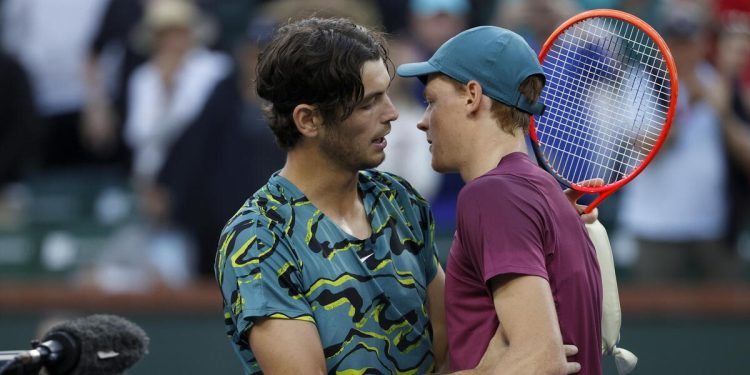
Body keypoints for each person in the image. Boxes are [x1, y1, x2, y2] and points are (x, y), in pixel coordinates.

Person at [215, 17, 584, 375]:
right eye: (368, 103)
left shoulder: (400, 201)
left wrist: (540, 228)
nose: (392, 113)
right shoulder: (258, 238)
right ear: (308, 120)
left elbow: (454, 342)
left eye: (387, 95)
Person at [397, 26, 602, 374]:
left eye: (432, 101)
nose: (423, 121)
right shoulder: (544, 194)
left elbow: (541, 357)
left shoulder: (493, 194)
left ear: (472, 96)